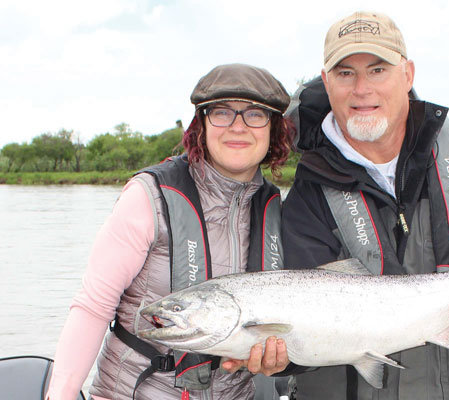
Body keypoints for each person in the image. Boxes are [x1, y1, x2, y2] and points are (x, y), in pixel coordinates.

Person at [280, 11, 449, 400]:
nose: (362, 89)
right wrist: (278, 355)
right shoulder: (307, 194)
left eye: (378, 70)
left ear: (408, 74)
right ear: (327, 82)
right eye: (346, 73)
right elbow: (304, 330)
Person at [47, 63, 293, 400]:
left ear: (273, 129)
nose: (238, 127)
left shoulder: (277, 210)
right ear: (201, 124)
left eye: (254, 114)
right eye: (222, 113)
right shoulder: (148, 195)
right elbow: (93, 306)